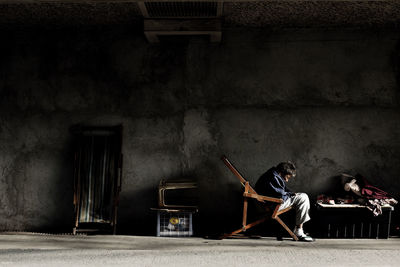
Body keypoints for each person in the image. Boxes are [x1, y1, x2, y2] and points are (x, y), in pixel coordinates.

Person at [255, 161, 314, 242]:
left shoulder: (272, 174)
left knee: (300, 196)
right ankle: (299, 231)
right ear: (281, 172)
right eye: (287, 177)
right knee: (303, 197)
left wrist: (291, 194)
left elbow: (280, 192)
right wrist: (291, 195)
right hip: (272, 204)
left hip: (270, 202)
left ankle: (299, 229)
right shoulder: (273, 177)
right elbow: (281, 195)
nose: (286, 180)